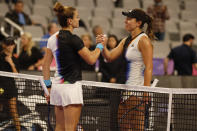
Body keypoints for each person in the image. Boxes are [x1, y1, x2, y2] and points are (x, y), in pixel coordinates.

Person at [42, 2, 104, 131]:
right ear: (70, 21)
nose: (79, 19)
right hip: (71, 89)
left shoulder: (52, 38)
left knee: (59, 127)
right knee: (71, 128)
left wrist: (48, 87)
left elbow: (45, 65)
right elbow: (92, 59)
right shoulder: (74, 39)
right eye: (77, 17)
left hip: (57, 88)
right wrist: (99, 46)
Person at [97, 9, 153, 130]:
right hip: (125, 90)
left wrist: (146, 92)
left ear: (138, 23)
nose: (125, 21)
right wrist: (103, 45)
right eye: (126, 18)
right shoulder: (126, 40)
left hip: (137, 91)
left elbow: (149, 67)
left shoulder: (144, 40)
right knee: (123, 127)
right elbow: (110, 57)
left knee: (137, 128)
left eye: (129, 19)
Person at [0, 36, 21, 131]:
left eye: (12, 44)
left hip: (11, 88)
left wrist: (11, 63)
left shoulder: (15, 59)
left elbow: (17, 76)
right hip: (0, 87)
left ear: (14, 45)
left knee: (14, 111)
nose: (10, 46)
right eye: (8, 44)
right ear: (3, 45)